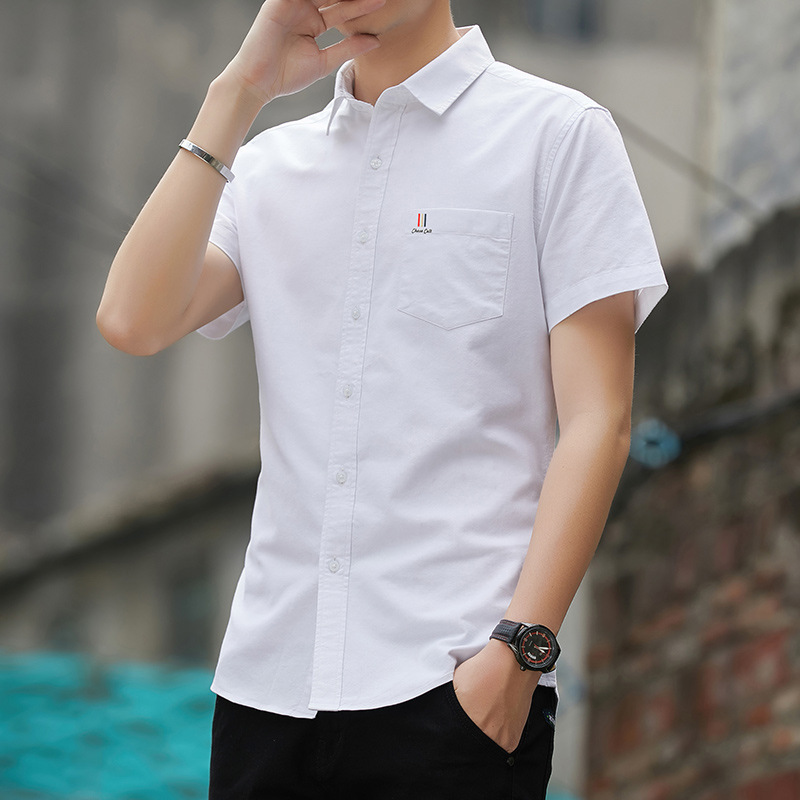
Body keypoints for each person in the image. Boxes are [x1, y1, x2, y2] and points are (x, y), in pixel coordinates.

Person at [97, 1, 669, 797]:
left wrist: (520, 651)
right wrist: (239, 90)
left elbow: (598, 421)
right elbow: (133, 320)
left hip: (452, 683)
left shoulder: (556, 135)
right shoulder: (269, 166)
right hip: (269, 688)